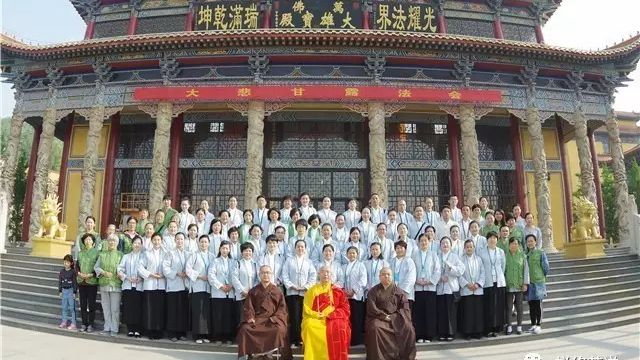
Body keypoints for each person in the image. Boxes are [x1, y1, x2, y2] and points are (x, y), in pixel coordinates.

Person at [237, 265, 293, 360]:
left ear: (271, 274)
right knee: (245, 329)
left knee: (280, 330)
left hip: (272, 320)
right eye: (263, 273)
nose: (265, 275)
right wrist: (250, 317)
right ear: (259, 275)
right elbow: (248, 307)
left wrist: (275, 319)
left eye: (267, 272)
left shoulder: (277, 291)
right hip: (257, 320)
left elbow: (282, 309)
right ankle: (255, 354)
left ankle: (269, 354)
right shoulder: (253, 291)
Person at [365, 267, 416, 360]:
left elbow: (405, 307)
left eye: (388, 274)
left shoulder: (399, 291)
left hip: (396, 317)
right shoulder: (373, 291)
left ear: (392, 276)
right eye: (384, 274)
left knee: (409, 328)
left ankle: (403, 355)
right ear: (379, 277)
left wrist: (394, 317)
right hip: (379, 317)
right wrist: (384, 316)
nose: (386, 276)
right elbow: (371, 308)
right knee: (375, 328)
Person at [301, 265, 351, 360]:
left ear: (331, 275)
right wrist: (317, 314)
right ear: (319, 274)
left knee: (340, 326)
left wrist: (331, 315)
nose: (326, 274)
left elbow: (345, 309)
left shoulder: (338, 291)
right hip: (316, 318)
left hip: (333, 318)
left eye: (328, 272)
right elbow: (306, 309)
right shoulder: (311, 291)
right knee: (309, 325)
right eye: (323, 272)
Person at [281, 239, 316, 347]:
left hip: (305, 293)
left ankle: (302, 338)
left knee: (303, 316)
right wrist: (292, 286)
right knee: (294, 316)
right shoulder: (289, 260)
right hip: (292, 292)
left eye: (302, 247)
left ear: (305, 249)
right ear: (295, 248)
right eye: (298, 246)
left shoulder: (309, 262)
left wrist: (305, 286)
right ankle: (293, 339)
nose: (300, 248)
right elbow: (285, 274)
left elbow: (313, 276)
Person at [412, 233, 441, 343]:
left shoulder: (433, 255)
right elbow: (412, 269)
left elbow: (437, 270)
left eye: (426, 241)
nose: (423, 243)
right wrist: (416, 280)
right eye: (422, 241)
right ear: (418, 242)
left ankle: (429, 335)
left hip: (430, 288)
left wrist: (430, 281)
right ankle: (420, 335)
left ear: (429, 242)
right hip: (418, 288)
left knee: (430, 312)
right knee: (419, 312)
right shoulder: (414, 255)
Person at [139, 232, 168, 340]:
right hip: (150, 284)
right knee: (149, 309)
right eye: (154, 240)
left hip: (161, 284)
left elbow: (169, 266)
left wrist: (163, 274)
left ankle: (159, 331)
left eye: (158, 240)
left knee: (160, 309)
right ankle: (149, 331)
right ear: (152, 241)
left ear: (161, 241)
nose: (156, 242)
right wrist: (150, 274)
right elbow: (140, 267)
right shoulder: (147, 253)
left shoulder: (166, 253)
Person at [94, 234, 123, 336]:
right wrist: (103, 272)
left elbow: (123, 268)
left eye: (114, 241)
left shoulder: (121, 255)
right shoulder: (102, 254)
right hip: (104, 283)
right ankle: (107, 328)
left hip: (116, 284)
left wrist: (120, 273)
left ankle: (114, 329)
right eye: (110, 240)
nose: (111, 242)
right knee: (105, 308)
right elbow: (96, 267)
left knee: (115, 308)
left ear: (117, 243)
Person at [436, 237, 464, 342]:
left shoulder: (455, 257)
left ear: (450, 245)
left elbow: (461, 270)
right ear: (440, 245)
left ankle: (451, 333)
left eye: (447, 243)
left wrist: (451, 268)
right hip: (440, 288)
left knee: (451, 312)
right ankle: (442, 333)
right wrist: (439, 278)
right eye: (443, 243)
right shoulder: (437, 257)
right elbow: (432, 271)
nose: (445, 245)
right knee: (441, 312)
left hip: (451, 288)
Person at [209, 240, 237, 344]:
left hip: (230, 292)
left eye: (227, 248)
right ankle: (218, 337)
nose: (225, 250)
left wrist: (231, 286)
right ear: (220, 249)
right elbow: (211, 276)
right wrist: (221, 286)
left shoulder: (233, 262)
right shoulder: (215, 261)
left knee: (228, 316)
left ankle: (228, 337)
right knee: (218, 315)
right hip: (218, 293)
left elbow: (236, 275)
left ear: (229, 250)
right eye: (223, 248)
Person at [163, 232, 190, 342]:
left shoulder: (188, 254)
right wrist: (177, 273)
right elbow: (165, 268)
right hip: (173, 285)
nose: (180, 241)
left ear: (185, 241)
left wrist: (187, 273)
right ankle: (172, 333)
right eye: (178, 239)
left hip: (184, 286)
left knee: (182, 310)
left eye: (181, 239)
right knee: (173, 310)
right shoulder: (170, 253)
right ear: (175, 240)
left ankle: (181, 333)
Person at [186, 235, 212, 344]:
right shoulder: (194, 255)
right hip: (197, 287)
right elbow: (188, 269)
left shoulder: (212, 256)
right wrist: (199, 276)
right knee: (197, 311)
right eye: (202, 242)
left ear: (209, 243)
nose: (204, 244)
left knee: (206, 312)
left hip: (208, 288)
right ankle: (196, 335)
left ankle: (205, 334)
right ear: (198, 243)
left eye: (206, 242)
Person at [479, 232, 506, 337]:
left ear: (497, 240)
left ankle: (497, 328)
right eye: (490, 238)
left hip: (499, 282)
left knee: (498, 306)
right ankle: (488, 328)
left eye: (494, 238)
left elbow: (503, 266)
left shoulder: (501, 252)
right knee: (488, 306)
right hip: (487, 282)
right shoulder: (481, 252)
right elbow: (481, 267)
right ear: (487, 239)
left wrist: (499, 276)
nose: (492, 240)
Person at [117, 236, 144, 338]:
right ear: (132, 244)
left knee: (138, 308)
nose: (137, 245)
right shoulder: (126, 256)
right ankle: (130, 329)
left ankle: (137, 329)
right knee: (128, 308)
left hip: (139, 286)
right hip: (128, 285)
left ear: (141, 245)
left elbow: (147, 269)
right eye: (135, 243)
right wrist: (126, 277)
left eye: (139, 243)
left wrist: (141, 278)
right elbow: (120, 269)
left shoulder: (144, 257)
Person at [459, 239, 485, 340]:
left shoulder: (478, 259)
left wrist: (478, 284)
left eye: (471, 247)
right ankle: (467, 332)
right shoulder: (460, 260)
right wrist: (467, 284)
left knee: (478, 312)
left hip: (477, 289)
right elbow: (459, 275)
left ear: (474, 248)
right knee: (467, 312)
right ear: (464, 248)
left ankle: (478, 332)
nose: (469, 248)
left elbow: (483, 273)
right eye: (467, 247)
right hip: (467, 290)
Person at [343, 246, 367, 345]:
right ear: (347, 255)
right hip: (346, 296)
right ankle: (348, 339)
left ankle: (357, 340)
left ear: (357, 255)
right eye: (350, 253)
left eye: (354, 253)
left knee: (357, 318)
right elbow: (342, 280)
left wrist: (353, 291)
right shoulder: (344, 266)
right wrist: (344, 290)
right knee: (349, 318)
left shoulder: (361, 265)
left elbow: (363, 280)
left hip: (356, 296)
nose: (352, 255)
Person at [525, 234, 549, 335]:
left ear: (535, 242)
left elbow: (546, 267)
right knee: (531, 304)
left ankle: (539, 325)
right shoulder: (527, 254)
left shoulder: (541, 253)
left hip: (539, 282)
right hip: (530, 282)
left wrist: (542, 277)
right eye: (528, 241)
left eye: (532, 241)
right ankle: (533, 324)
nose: (530, 243)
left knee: (538, 304)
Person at [505, 237, 529, 336]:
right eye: (512, 244)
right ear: (509, 245)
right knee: (509, 306)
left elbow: (526, 270)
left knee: (519, 306)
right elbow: (503, 270)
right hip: (508, 284)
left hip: (519, 284)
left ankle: (519, 326)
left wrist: (525, 283)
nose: (514, 245)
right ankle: (509, 326)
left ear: (518, 245)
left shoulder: (522, 256)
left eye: (516, 244)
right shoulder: (505, 255)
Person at [232, 242, 259, 331]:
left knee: (251, 316)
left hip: (252, 295)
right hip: (241, 295)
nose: (248, 253)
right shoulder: (237, 264)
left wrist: (251, 291)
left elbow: (257, 279)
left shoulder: (255, 264)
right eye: (245, 251)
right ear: (242, 252)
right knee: (241, 316)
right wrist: (242, 291)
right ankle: (240, 337)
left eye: (250, 251)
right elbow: (235, 279)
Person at [76, 233, 99, 333]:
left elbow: (98, 266)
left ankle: (91, 324)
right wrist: (79, 273)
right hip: (82, 281)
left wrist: (91, 275)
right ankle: (84, 324)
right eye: (86, 240)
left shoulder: (97, 253)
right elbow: (76, 266)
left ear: (93, 242)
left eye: (90, 240)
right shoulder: (80, 253)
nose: (87, 241)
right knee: (83, 304)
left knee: (92, 304)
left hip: (92, 282)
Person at [389, 241, 417, 305]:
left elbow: (411, 278)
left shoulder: (409, 261)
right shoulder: (391, 262)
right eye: (397, 248)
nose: (399, 250)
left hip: (405, 294)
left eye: (401, 248)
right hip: (392, 294)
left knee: (405, 314)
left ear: (405, 249)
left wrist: (402, 291)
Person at [58, 254, 78, 330]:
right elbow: (60, 281)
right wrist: (60, 291)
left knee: (72, 308)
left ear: (71, 263)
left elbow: (75, 282)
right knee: (64, 307)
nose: (66, 264)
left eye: (68, 262)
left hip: (71, 290)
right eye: (65, 262)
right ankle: (64, 322)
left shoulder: (73, 272)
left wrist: (74, 292)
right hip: (64, 291)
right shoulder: (62, 271)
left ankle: (73, 323)